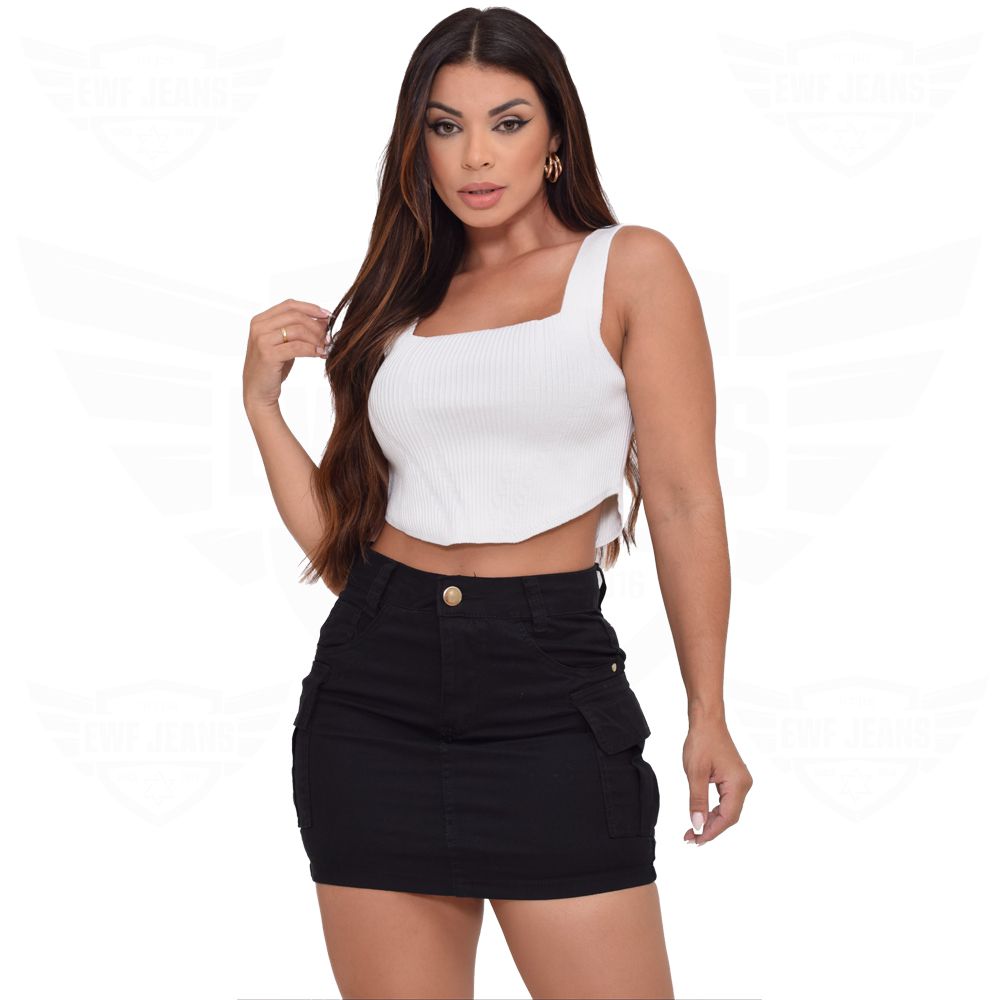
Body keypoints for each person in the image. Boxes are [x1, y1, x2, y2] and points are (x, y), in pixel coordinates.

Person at [242, 8, 752, 998]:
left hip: (548, 691)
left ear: (555, 134)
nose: (475, 154)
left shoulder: (629, 266)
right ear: (417, 143)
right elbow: (350, 556)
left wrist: (709, 712)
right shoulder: (399, 302)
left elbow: (687, 502)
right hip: (371, 698)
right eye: (446, 126)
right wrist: (263, 407)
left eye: (507, 122)